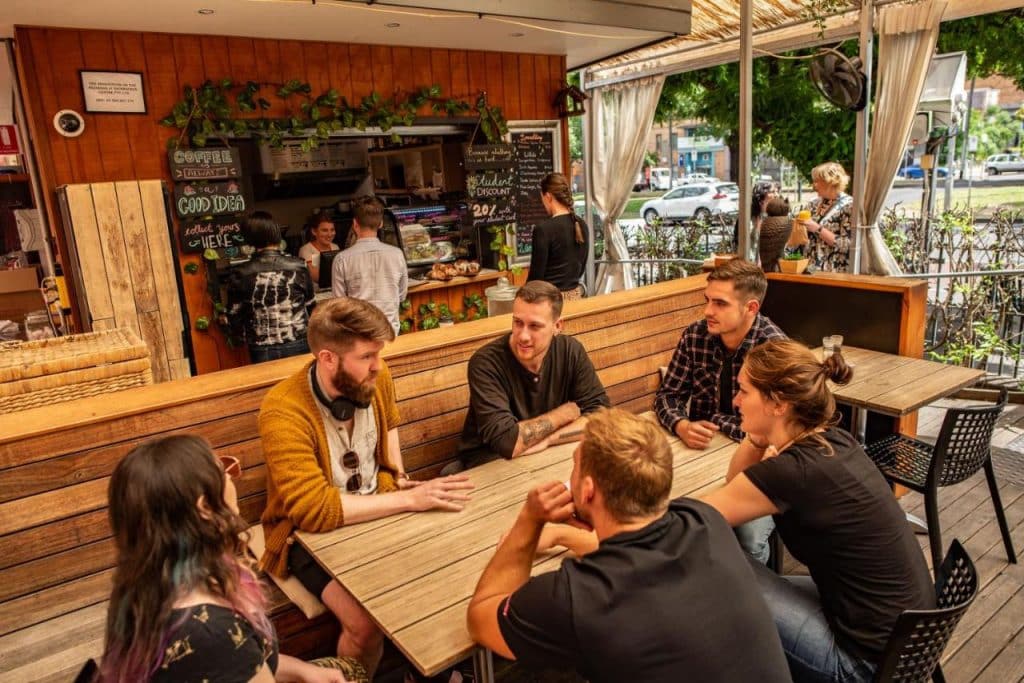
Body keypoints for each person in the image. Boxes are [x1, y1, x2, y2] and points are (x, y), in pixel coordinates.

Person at [466, 408, 791, 683]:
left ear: (589, 490)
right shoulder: (703, 520)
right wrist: (563, 535)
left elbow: (481, 619)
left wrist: (530, 520)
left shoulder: (572, 596)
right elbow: (631, 552)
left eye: (576, 465)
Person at [258, 297, 473, 678]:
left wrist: (400, 481)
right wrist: (409, 500)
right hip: (304, 538)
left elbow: (389, 427)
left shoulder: (378, 376)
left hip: (381, 506)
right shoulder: (283, 408)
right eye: (367, 356)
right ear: (327, 358)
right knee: (364, 623)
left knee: (450, 565)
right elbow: (312, 511)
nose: (378, 365)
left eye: (379, 353)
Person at [701, 339, 935, 682]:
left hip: (864, 665)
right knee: (744, 576)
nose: (735, 400)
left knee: (719, 572)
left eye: (744, 391)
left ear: (778, 404)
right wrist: (758, 436)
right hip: (910, 640)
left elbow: (696, 518)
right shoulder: (834, 440)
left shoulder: (792, 472)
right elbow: (735, 481)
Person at [99, 434, 362, 683]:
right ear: (205, 508)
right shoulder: (213, 632)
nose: (232, 477)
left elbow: (243, 659)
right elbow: (228, 655)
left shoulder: (140, 588)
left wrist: (306, 672)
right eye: (224, 471)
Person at [654, 259, 785, 563]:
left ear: (751, 308)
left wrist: (713, 421)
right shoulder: (695, 336)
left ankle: (754, 601)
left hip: (756, 462)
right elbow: (667, 396)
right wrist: (681, 425)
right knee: (660, 510)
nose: (707, 311)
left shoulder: (774, 351)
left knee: (747, 538)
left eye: (720, 303)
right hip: (698, 457)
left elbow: (774, 432)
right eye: (707, 300)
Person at [456, 280, 609, 469]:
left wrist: (550, 439)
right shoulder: (486, 363)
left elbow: (602, 414)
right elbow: (507, 442)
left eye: (534, 326)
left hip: (546, 454)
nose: (523, 336)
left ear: (558, 326)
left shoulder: (570, 351)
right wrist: (562, 415)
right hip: (490, 462)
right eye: (518, 323)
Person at [226, 211, 314, 363]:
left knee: (271, 386)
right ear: (275, 232)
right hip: (298, 340)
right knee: (299, 384)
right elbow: (311, 305)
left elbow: (234, 314)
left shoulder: (240, 272)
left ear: (249, 238)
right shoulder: (299, 265)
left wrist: (240, 338)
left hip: (261, 346)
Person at [332, 195, 407, 334]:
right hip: (390, 331)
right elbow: (402, 295)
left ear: (355, 224)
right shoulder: (397, 254)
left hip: (358, 332)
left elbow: (339, 304)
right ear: (381, 224)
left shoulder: (341, 259)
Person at [527, 172, 589, 299]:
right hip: (576, 298)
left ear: (548, 196)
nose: (543, 204)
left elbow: (535, 278)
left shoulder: (543, 230)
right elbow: (581, 267)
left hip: (550, 302)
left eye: (542, 199)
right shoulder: (581, 224)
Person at [800, 161, 853, 272]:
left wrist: (818, 229)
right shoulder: (813, 204)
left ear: (830, 182)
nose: (814, 185)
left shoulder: (849, 206)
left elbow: (847, 244)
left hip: (833, 271)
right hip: (809, 269)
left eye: (817, 181)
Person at [299, 211, 340, 287]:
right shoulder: (306, 250)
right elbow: (317, 277)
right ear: (314, 231)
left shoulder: (335, 247)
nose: (330, 234)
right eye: (324, 230)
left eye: (332, 230)